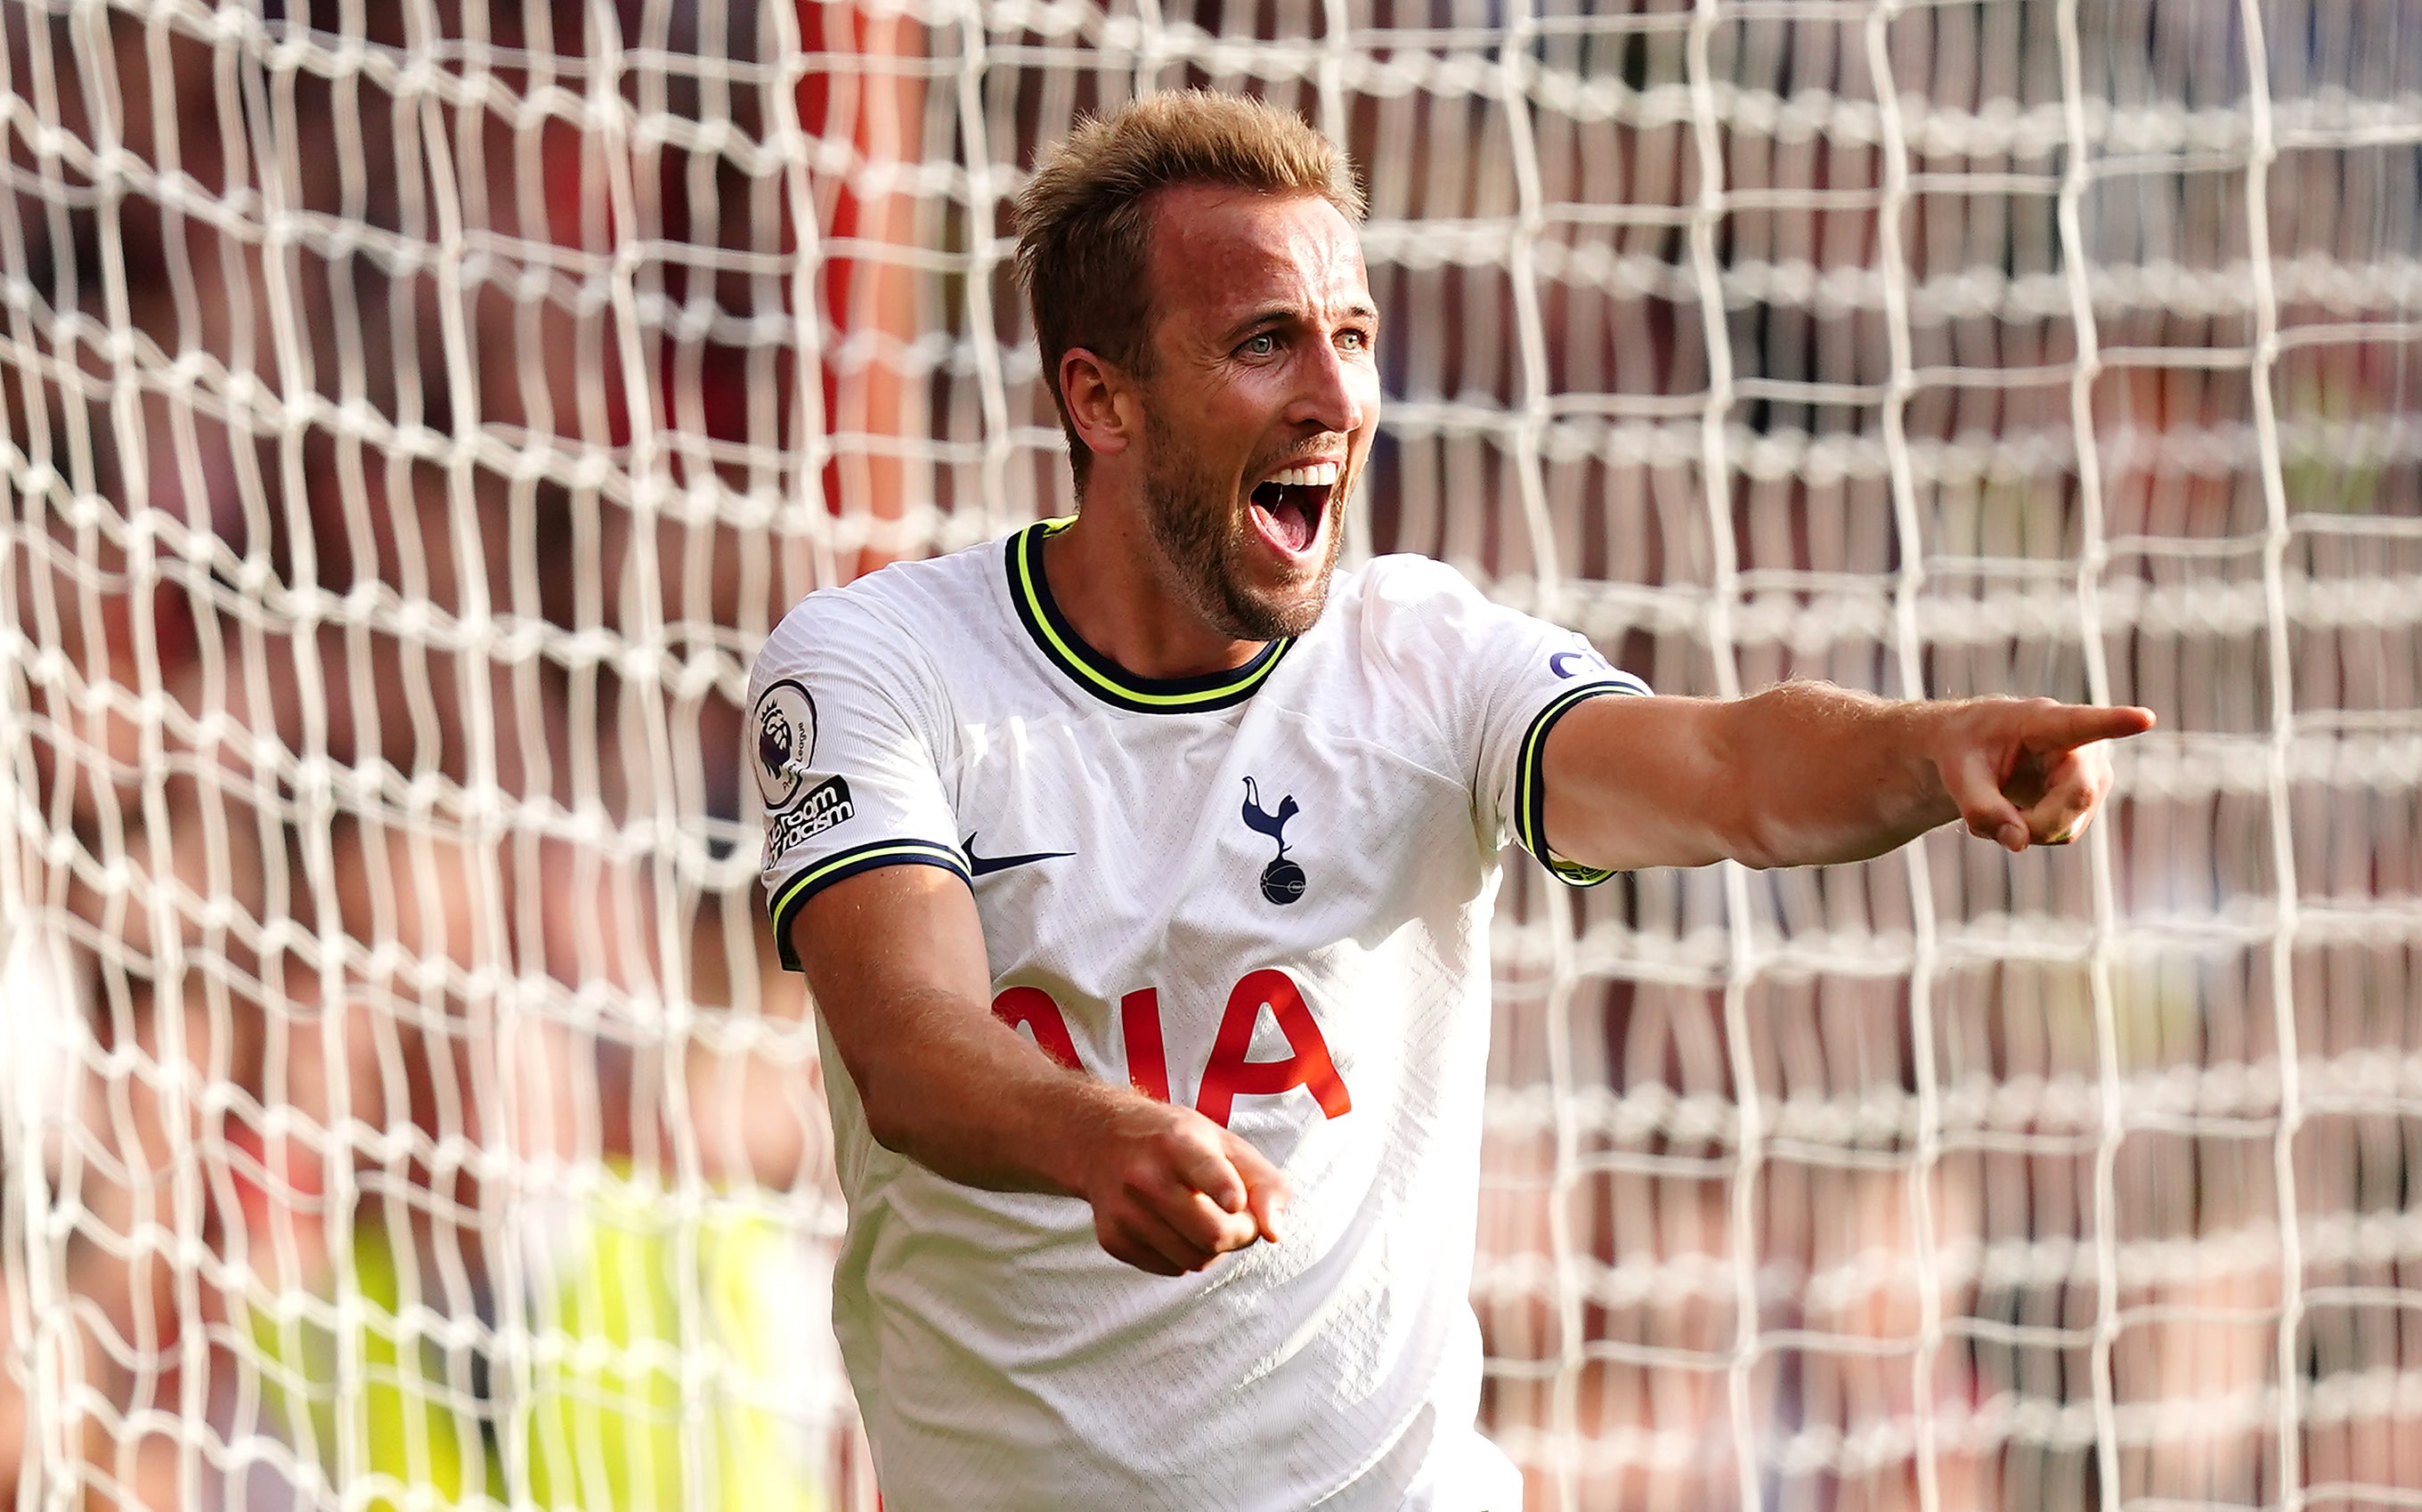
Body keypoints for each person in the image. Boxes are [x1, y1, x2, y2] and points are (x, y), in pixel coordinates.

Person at [745, 89, 2154, 1512]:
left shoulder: (1424, 659)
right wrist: (1098, 1136)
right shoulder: (880, 665)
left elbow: (1724, 770)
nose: (1338, 395)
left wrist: (1924, 749)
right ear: (1100, 397)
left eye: (1352, 337)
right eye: (1265, 342)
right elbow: (909, 1045)